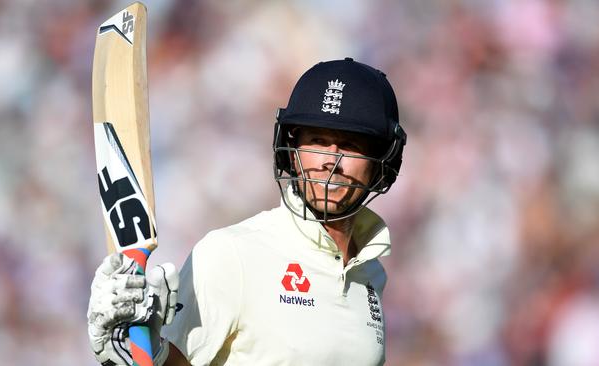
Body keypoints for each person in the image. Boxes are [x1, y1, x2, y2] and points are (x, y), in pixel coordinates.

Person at [87, 57, 407, 366]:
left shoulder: (371, 275)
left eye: (350, 145)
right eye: (317, 140)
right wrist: (138, 353)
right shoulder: (231, 253)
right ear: (292, 154)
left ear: (382, 163)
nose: (330, 160)